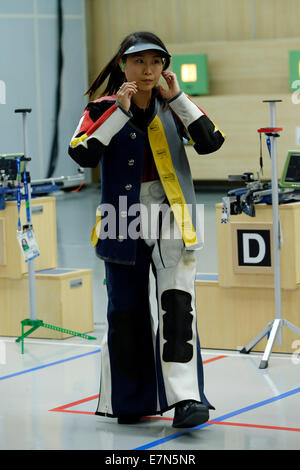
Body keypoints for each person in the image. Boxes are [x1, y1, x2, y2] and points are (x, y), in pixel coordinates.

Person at [68, 31, 225, 428]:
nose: (149, 70)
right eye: (139, 61)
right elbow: (83, 155)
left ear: (165, 67)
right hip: (121, 218)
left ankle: (187, 400)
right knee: (126, 311)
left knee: (177, 309)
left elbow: (211, 142)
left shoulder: (174, 106)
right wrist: (118, 113)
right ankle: (130, 400)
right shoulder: (100, 108)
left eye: (156, 62)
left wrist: (179, 101)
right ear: (123, 65)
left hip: (174, 216)